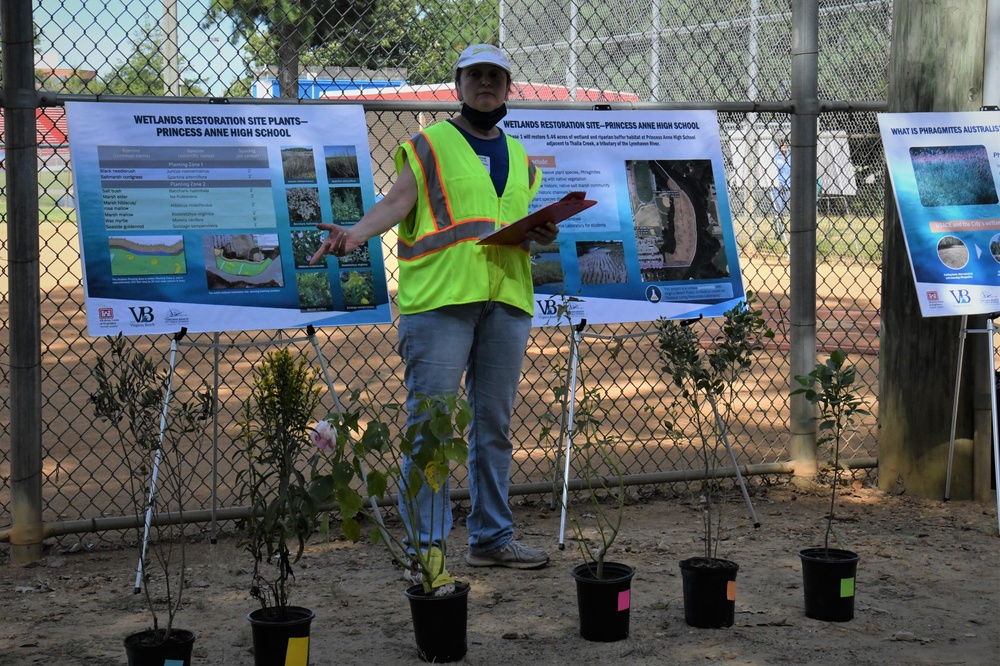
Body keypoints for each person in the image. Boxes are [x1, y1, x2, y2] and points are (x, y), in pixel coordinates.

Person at [311, 43, 557, 578]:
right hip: (441, 305)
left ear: (508, 88)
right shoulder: (429, 145)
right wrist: (354, 234)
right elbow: (397, 203)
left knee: (493, 424)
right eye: (475, 76)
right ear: (458, 85)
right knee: (433, 428)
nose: (485, 84)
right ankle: (426, 548)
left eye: (495, 76)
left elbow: (513, 226)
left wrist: (540, 234)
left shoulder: (522, 160)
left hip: (506, 304)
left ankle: (493, 536)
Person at [771, 140, 790, 240]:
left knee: (783, 209)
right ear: (778, 145)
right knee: (778, 208)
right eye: (782, 144)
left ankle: (781, 230)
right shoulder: (775, 155)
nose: (784, 146)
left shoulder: (790, 156)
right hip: (777, 185)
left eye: (786, 144)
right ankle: (778, 233)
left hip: (788, 186)